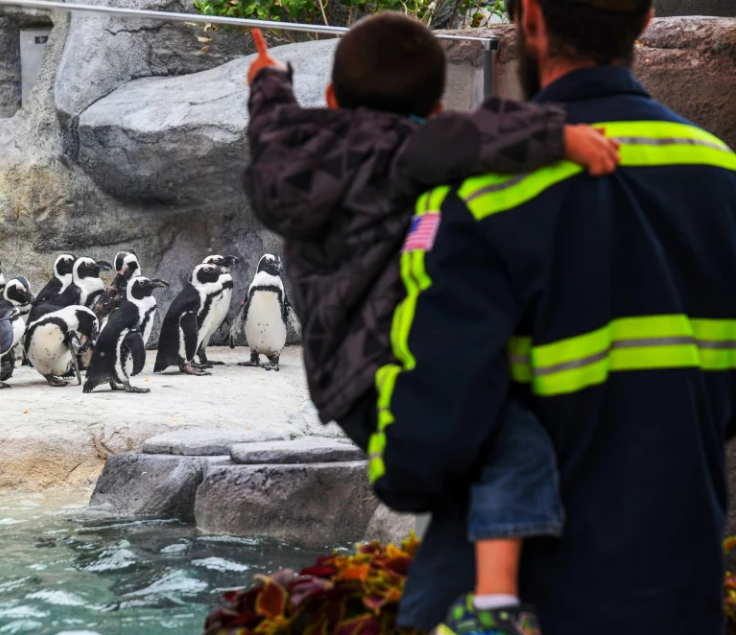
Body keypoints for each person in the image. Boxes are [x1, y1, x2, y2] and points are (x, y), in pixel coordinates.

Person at [349, 0, 736, 634]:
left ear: (530, 17)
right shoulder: (721, 175)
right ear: (644, 19)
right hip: (676, 593)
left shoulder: (482, 186)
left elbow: (426, 438)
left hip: (518, 601)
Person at [244, 15, 619, 634]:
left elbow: (271, 124)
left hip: (340, 377)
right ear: (436, 108)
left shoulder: (290, 153)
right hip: (400, 366)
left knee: (468, 464)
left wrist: (269, 80)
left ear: (332, 99)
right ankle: (490, 610)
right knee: (517, 446)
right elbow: (475, 138)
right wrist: (561, 135)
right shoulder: (404, 149)